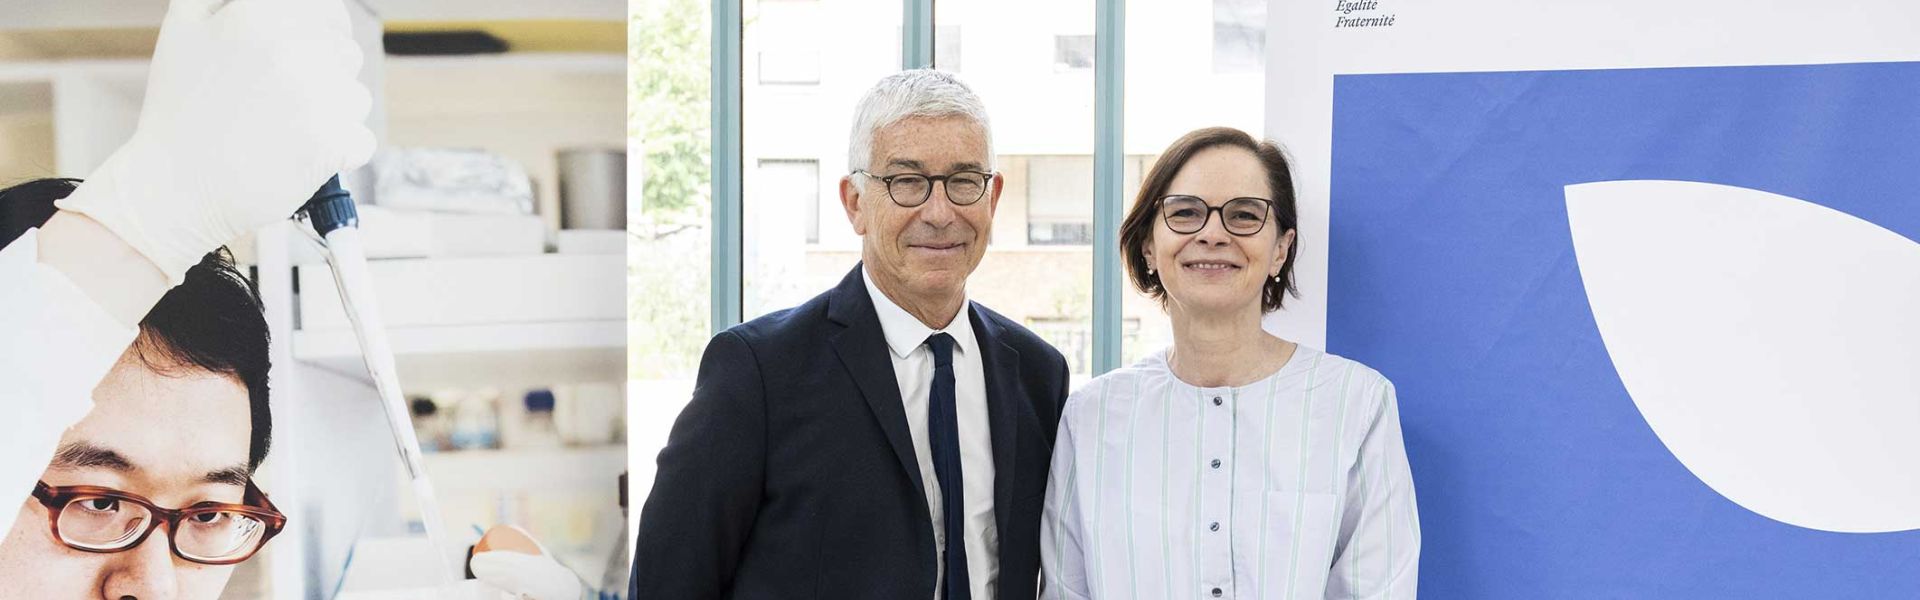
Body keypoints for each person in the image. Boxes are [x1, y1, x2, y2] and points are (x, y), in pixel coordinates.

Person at [632, 69, 1071, 599]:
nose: (939, 212)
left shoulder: (1037, 375)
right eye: (907, 181)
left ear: (993, 197)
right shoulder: (758, 372)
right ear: (855, 202)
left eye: (963, 181)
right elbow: (668, 582)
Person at [1039, 127, 1420, 599]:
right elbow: (1063, 589)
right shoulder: (1091, 416)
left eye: (1244, 215)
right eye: (1185, 213)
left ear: (1280, 248)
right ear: (1148, 247)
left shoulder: (1356, 404)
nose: (1213, 234)